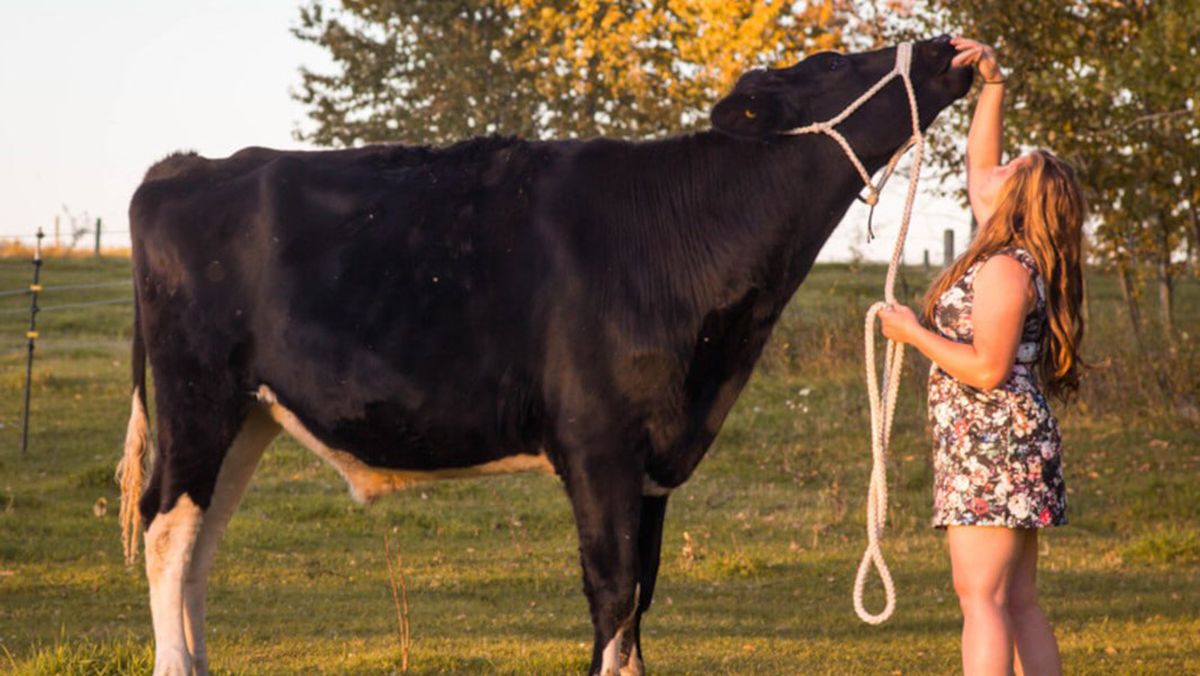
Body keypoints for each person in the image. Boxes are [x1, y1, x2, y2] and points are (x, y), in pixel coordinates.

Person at [878, 37, 1086, 676]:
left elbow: (988, 369)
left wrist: (914, 333)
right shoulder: (1007, 253)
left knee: (983, 601)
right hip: (999, 444)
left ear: (1017, 199)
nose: (994, 167)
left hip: (992, 445)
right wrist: (992, 84)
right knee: (1014, 601)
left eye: (1011, 167)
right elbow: (978, 159)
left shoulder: (1002, 268)